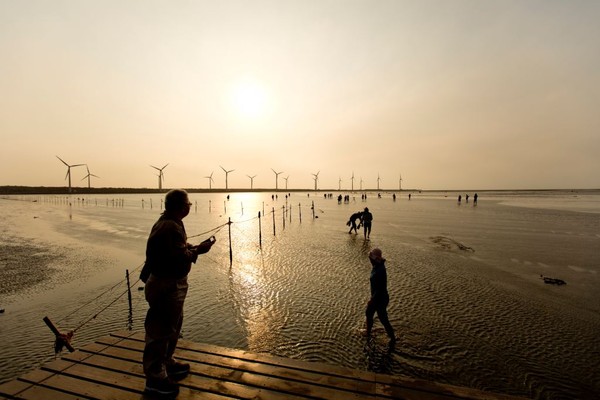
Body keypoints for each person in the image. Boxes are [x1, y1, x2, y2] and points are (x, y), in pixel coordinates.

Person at [141, 189, 215, 398]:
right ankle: (155, 379)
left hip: (172, 283)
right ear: (182, 206)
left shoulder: (170, 222)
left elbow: (174, 249)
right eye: (188, 203)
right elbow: (178, 256)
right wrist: (199, 251)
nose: (189, 206)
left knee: (172, 326)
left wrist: (190, 247)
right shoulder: (169, 226)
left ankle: (166, 362)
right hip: (166, 285)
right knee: (160, 330)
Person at [365, 248, 395, 344]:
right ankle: (368, 332)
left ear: (375, 259)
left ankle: (393, 339)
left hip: (380, 298)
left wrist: (372, 299)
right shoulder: (377, 266)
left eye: (371, 258)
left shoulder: (380, 270)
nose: (369, 259)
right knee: (369, 313)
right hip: (377, 296)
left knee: (383, 319)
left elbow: (380, 288)